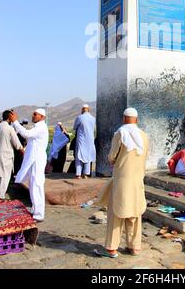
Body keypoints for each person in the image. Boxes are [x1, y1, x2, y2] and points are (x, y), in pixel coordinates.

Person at [97, 107, 149, 258]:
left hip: (121, 179)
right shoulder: (144, 136)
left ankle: (112, 248)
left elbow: (112, 156)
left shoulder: (120, 133)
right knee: (134, 212)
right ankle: (134, 247)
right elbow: (145, 156)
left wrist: (114, 160)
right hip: (137, 178)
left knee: (116, 212)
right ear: (136, 120)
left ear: (124, 118)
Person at [9, 108, 48, 222]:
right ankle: (36, 210)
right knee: (33, 185)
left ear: (42, 117)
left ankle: (39, 214)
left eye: (35, 114)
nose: (33, 116)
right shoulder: (38, 127)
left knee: (37, 185)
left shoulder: (41, 127)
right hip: (34, 160)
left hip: (37, 160)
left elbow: (26, 134)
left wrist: (15, 121)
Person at [0, 110, 23, 202]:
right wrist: (23, 152)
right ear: (9, 118)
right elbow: (17, 144)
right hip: (5, 156)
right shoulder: (9, 128)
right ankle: (0, 197)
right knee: (4, 176)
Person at [73, 104, 96, 179]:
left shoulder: (80, 117)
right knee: (88, 156)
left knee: (79, 156)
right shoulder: (93, 118)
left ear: (82, 110)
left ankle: (78, 174)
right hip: (90, 140)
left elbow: (74, 127)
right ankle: (86, 174)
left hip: (81, 140)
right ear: (88, 109)